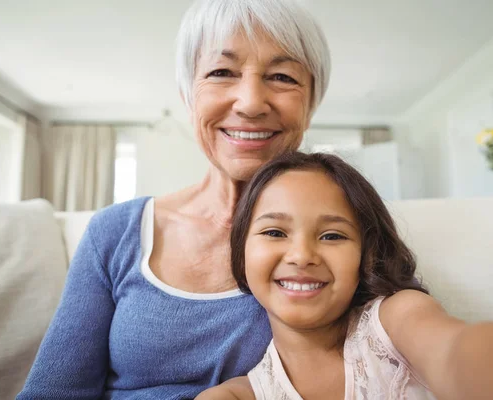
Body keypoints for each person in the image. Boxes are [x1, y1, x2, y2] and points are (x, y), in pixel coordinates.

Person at [17, 0, 330, 398]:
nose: (251, 102)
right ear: (188, 96)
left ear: (311, 103)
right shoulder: (116, 232)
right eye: (221, 72)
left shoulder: (346, 232)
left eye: (283, 77)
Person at [197, 151, 493, 400]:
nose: (301, 256)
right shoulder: (237, 394)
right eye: (275, 232)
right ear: (240, 251)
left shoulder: (396, 320)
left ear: (366, 252)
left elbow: (460, 350)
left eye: (332, 236)